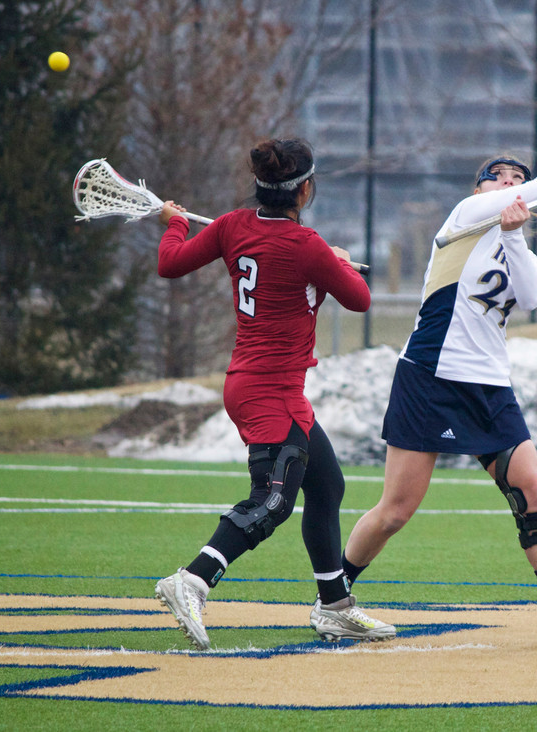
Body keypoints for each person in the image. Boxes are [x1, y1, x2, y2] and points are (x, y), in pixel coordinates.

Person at [341, 143, 537, 645]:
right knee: (396, 510)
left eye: (518, 178)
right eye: (499, 177)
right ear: (479, 189)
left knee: (531, 490)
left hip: (489, 383)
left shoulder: (521, 251)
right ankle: (335, 599)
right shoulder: (465, 217)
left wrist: (514, 237)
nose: (510, 183)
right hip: (431, 375)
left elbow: (531, 298)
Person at [153, 137, 394, 650]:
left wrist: (175, 221)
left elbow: (170, 262)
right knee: (273, 501)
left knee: (326, 487)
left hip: (261, 385)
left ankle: (334, 606)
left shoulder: (231, 226)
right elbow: (360, 299)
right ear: (305, 191)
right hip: (271, 392)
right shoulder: (307, 247)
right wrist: (339, 264)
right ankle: (192, 580)